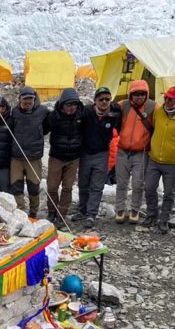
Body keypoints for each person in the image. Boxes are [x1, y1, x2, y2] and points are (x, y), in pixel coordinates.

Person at [140, 86, 175, 235]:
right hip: (154, 158)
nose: (167, 101)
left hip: (173, 162)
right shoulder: (159, 112)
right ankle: (151, 215)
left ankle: (164, 219)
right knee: (149, 188)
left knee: (169, 193)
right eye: (166, 98)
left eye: (171, 99)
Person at [76, 86, 121, 228]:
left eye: (107, 99)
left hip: (102, 153)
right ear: (95, 100)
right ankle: (82, 210)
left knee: (97, 186)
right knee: (83, 184)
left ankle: (91, 214)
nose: (104, 102)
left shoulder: (115, 113)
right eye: (101, 99)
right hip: (85, 153)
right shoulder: (87, 112)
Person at [114, 81, 155, 224]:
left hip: (141, 152)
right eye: (136, 94)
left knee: (138, 184)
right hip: (123, 150)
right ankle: (119, 209)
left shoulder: (152, 107)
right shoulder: (123, 105)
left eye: (142, 94)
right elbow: (108, 109)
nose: (139, 97)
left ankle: (135, 210)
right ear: (131, 94)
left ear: (147, 94)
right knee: (121, 182)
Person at [43, 88, 84, 228]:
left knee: (67, 187)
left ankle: (62, 214)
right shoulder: (54, 117)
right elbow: (42, 130)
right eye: (68, 104)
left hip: (73, 158)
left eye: (74, 104)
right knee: (52, 187)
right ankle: (51, 211)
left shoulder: (82, 116)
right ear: (61, 104)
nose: (71, 108)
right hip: (56, 156)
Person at [8, 87, 50, 218]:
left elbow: (47, 128)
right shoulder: (14, 112)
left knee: (33, 186)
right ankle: (20, 211)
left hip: (34, 157)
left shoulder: (43, 111)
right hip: (17, 157)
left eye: (30, 99)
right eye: (25, 99)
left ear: (34, 98)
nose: (27, 102)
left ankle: (33, 212)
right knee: (16, 185)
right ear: (19, 99)